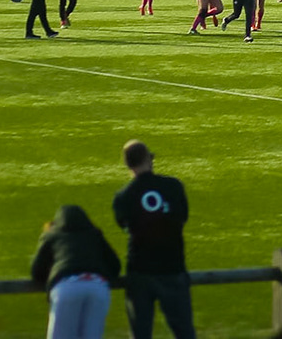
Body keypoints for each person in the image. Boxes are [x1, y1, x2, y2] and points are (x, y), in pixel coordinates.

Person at [112, 140, 196, 339]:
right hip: (172, 268)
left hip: (140, 271)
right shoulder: (174, 187)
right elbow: (182, 218)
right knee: (185, 332)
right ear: (149, 159)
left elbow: (125, 226)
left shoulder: (123, 196)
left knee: (140, 334)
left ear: (128, 164)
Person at [30, 204, 121, 339]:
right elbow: (115, 266)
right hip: (97, 288)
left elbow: (36, 271)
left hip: (67, 288)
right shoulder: (94, 234)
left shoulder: (52, 235)